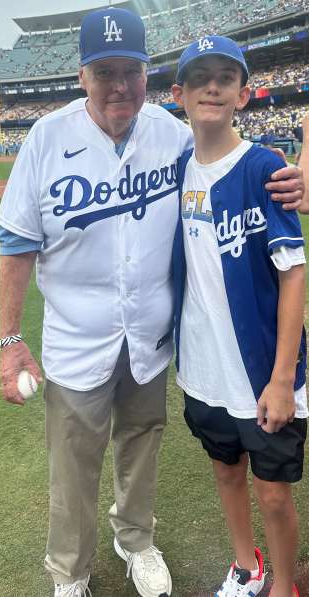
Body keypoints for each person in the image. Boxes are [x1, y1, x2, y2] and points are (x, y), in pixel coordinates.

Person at [0, 9, 304, 597]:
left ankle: (135, 539)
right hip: (77, 339)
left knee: (141, 448)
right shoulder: (46, 137)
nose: (118, 86)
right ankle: (70, 572)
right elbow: (15, 245)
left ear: (149, 77)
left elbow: (234, 156)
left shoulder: (173, 133)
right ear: (82, 76)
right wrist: (11, 341)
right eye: (104, 71)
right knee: (72, 465)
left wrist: (297, 184)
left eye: (130, 72)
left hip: (149, 339)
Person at [172, 36, 306, 597]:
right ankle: (245, 566)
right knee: (225, 471)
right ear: (178, 95)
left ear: (243, 95)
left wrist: (280, 380)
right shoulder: (177, 168)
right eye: (200, 77)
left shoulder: (262, 168)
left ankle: (282, 584)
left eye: (225, 78)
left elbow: (293, 273)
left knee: (273, 491)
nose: (212, 86)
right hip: (202, 368)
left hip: (261, 371)